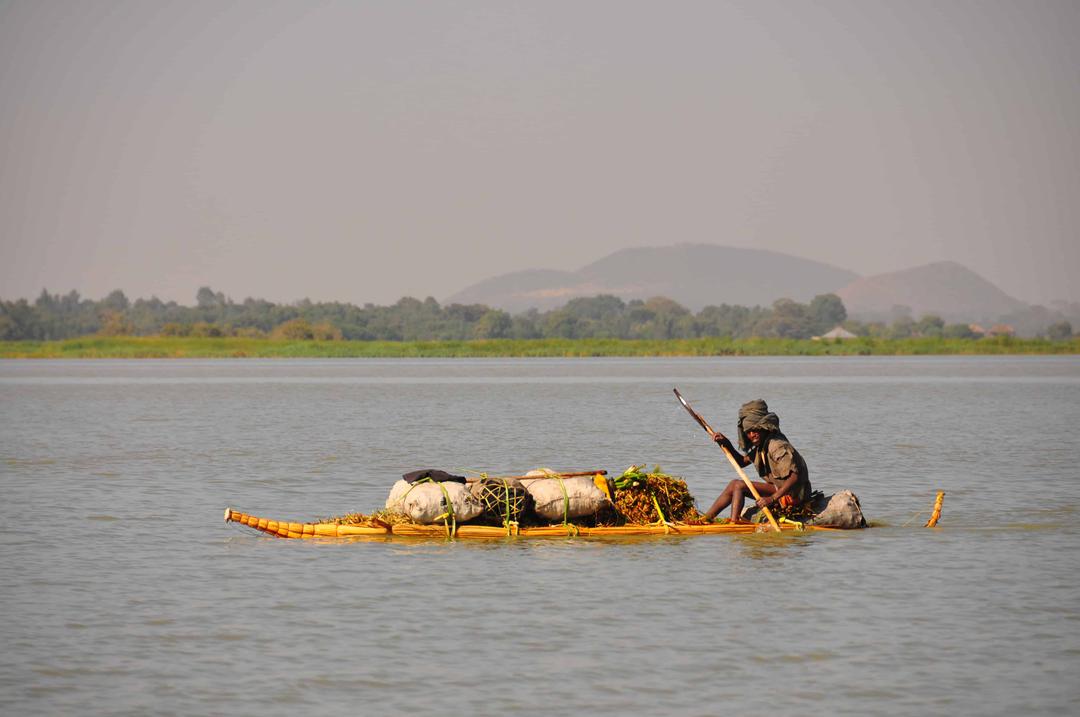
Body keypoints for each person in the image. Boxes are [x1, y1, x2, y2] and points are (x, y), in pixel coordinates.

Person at [699, 399, 811, 523]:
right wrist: (726, 443)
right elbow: (742, 462)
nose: (752, 435)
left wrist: (772, 499)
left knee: (738, 485)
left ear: (763, 427)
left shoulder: (776, 446)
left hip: (793, 494)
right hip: (778, 489)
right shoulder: (762, 446)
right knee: (733, 485)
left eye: (755, 430)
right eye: (748, 432)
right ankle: (705, 519)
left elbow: (795, 477)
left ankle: (734, 522)